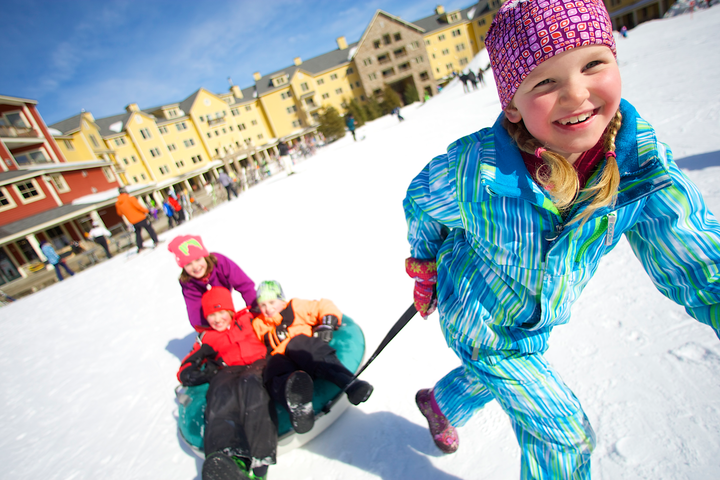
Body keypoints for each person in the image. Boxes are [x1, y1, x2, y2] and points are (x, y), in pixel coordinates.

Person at [403, 0, 720, 478]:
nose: (576, 94)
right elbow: (422, 201)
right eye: (545, 82)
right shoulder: (475, 172)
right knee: (563, 435)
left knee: (505, 372)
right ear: (511, 102)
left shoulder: (639, 165)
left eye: (593, 63)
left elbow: (696, 256)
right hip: (477, 318)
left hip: (533, 320)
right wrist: (425, 266)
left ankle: (441, 404)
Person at [178, 286, 275, 480]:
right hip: (228, 370)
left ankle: (260, 461)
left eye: (222, 312)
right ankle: (228, 460)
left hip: (258, 364)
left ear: (230, 311)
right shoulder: (207, 337)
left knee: (252, 386)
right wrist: (194, 373)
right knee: (219, 395)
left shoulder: (248, 319)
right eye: (212, 314)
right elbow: (187, 363)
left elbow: (273, 321)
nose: (217, 319)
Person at [252, 280, 373, 434]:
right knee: (273, 366)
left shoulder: (295, 307)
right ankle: (299, 408)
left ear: (281, 299)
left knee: (297, 343)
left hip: (305, 354)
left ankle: (348, 382)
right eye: (263, 305)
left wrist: (327, 324)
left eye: (271, 302)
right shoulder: (259, 324)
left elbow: (323, 306)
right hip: (286, 366)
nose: (268, 308)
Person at [168, 234, 257, 331]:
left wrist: (255, 309)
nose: (196, 267)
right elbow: (194, 309)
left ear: (204, 256)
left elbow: (244, 284)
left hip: (223, 296)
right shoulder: (188, 282)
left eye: (198, 259)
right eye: (188, 264)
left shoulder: (220, 262)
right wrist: (208, 332)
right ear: (183, 266)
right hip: (210, 310)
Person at [115, 187, 159, 252]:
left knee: (138, 233)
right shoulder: (130, 198)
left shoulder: (118, 203)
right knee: (149, 229)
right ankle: (156, 241)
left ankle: (140, 247)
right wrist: (147, 211)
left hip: (132, 221)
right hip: (140, 217)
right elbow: (139, 207)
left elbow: (119, 213)